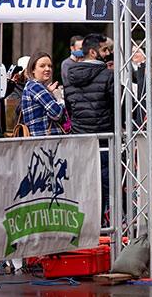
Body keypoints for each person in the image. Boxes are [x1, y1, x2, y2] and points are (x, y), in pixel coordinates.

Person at [64, 33, 114, 223]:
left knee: (84, 189)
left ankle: (86, 227)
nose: (108, 53)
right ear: (93, 52)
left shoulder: (70, 77)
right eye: (104, 49)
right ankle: (106, 228)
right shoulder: (107, 76)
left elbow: (70, 108)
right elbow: (118, 106)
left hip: (80, 140)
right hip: (104, 141)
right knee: (107, 189)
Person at [21, 51, 66, 136]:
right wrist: (60, 99)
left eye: (50, 66)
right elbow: (57, 113)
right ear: (33, 69)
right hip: (44, 142)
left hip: (42, 141)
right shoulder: (35, 87)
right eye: (42, 66)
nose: (48, 69)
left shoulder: (32, 85)